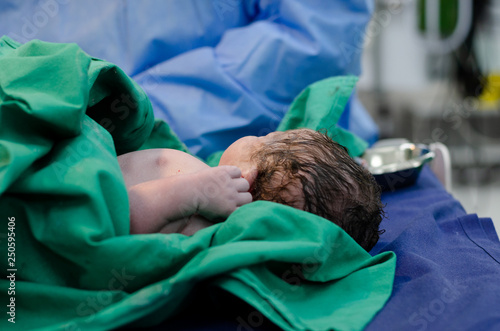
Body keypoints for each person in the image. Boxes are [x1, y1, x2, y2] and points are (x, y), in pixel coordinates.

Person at [118, 128, 384, 251]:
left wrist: (192, 193)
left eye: (263, 138)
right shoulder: (204, 185)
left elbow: (120, 218)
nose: (263, 133)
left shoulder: (196, 218)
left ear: (249, 180)